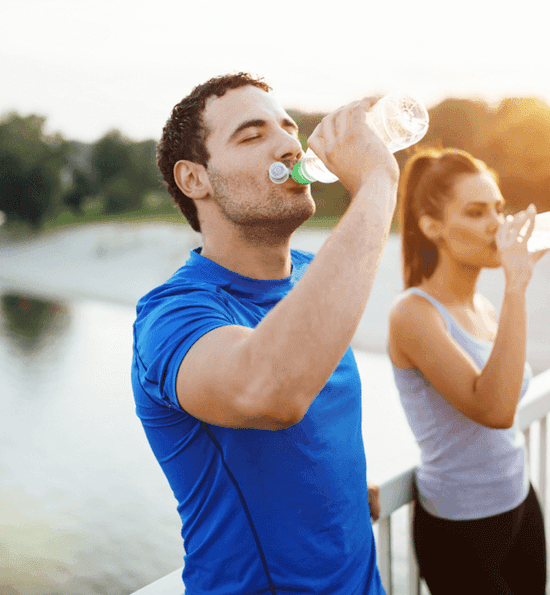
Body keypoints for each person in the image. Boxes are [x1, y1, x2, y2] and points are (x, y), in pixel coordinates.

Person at [131, 72, 398, 594]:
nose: (287, 144)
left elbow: (309, 434)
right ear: (195, 180)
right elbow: (268, 392)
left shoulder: (311, 274)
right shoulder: (171, 316)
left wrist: (336, 489)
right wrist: (378, 183)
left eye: (288, 127)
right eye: (252, 135)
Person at [387, 148, 547, 594]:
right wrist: (517, 286)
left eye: (499, 208)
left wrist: (510, 293)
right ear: (432, 226)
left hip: (517, 500)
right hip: (461, 528)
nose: (497, 224)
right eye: (477, 213)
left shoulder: (483, 306)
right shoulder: (414, 315)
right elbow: (495, 409)